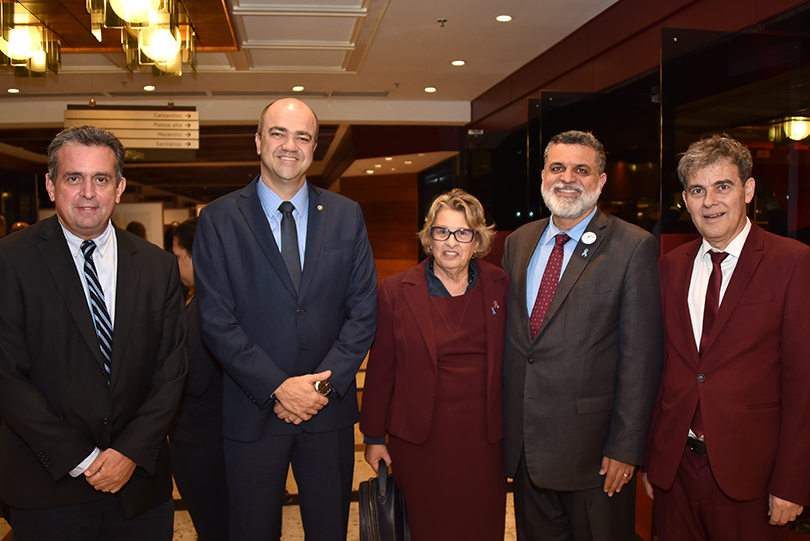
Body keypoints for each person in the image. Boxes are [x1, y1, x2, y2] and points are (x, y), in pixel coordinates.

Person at [194, 98, 377, 541]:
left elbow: (363, 312)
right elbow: (217, 320)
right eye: (278, 133)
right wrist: (278, 387)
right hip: (252, 409)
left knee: (329, 530)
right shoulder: (218, 219)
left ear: (314, 147)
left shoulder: (346, 214)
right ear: (258, 141)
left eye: (303, 136)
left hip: (325, 411)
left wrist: (317, 389)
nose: (289, 145)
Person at [0, 125, 187, 540]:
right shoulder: (11, 262)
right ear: (50, 185)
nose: (88, 192)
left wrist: (128, 454)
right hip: (48, 488)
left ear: (119, 187)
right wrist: (84, 459)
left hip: (139, 488)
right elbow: (7, 378)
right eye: (73, 178)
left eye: (101, 179)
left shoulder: (158, 267)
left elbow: (171, 373)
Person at [642, 134, 810, 540]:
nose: (709, 201)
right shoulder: (669, 267)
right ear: (685, 199)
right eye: (697, 190)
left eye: (723, 186)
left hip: (751, 477)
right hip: (675, 471)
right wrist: (653, 458)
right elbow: (658, 367)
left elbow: (803, 382)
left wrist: (791, 482)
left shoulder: (792, 262)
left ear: (748, 190)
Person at [501, 130, 663, 541]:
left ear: (601, 180)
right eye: (557, 167)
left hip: (595, 457)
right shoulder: (518, 242)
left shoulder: (633, 247)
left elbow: (640, 359)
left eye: (581, 169)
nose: (567, 178)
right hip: (527, 450)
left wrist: (626, 449)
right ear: (543, 175)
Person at [360, 188, 509, 540]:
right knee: (427, 529)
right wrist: (373, 436)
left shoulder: (500, 285)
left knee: (481, 529)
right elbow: (381, 368)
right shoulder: (396, 290)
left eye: (463, 233)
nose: (451, 242)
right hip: (419, 442)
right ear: (429, 238)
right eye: (442, 232)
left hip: (484, 442)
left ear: (478, 240)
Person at [168, 217, 229, 540]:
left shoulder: (200, 309)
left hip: (198, 441)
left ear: (194, 255)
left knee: (213, 527)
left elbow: (192, 380)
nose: (176, 265)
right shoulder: (223, 299)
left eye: (177, 256)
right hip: (220, 435)